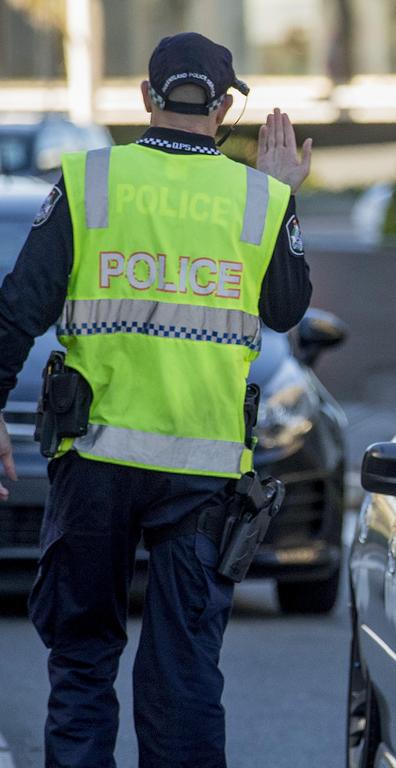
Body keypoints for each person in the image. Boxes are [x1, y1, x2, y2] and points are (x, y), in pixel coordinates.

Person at [0, 33, 313, 768]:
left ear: (146, 97)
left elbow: (17, 310)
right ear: (226, 106)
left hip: (94, 464)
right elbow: (288, 310)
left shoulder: (89, 181)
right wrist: (283, 194)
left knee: (81, 659)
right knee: (183, 676)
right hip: (202, 476)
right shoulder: (257, 200)